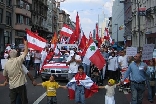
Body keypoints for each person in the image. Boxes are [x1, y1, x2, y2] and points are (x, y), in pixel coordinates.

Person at [3, 40, 35, 104]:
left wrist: (7, 80)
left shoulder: (6, 64)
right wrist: (26, 44)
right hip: (20, 84)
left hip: (12, 86)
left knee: (13, 101)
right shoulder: (18, 61)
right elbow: (26, 52)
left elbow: (5, 74)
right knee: (24, 100)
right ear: (16, 54)